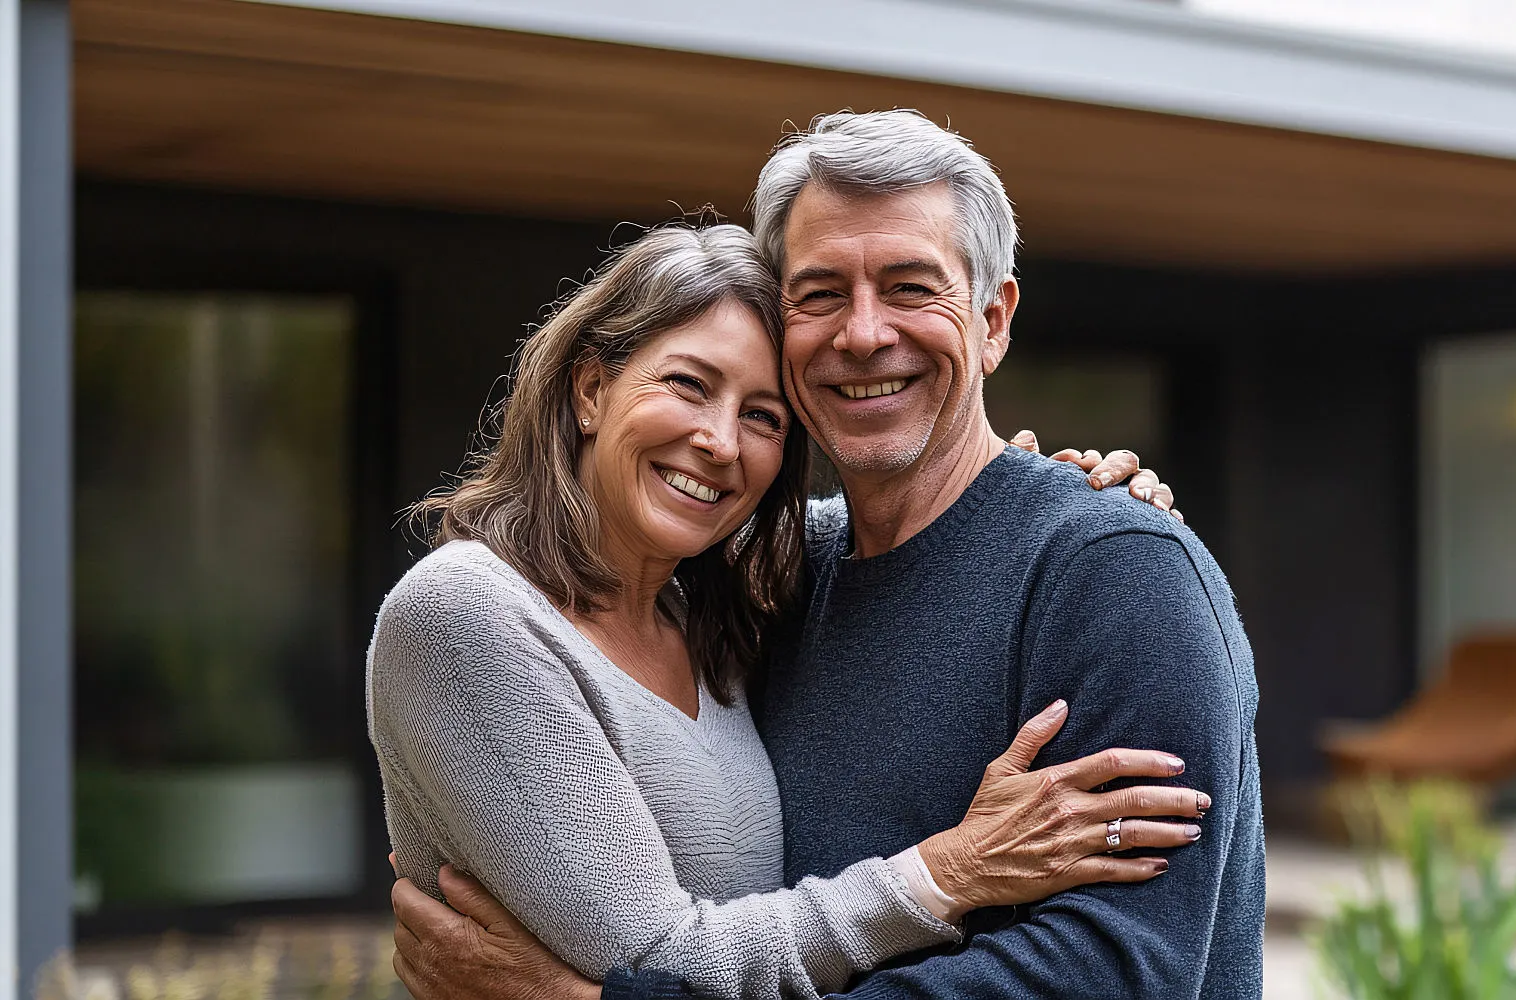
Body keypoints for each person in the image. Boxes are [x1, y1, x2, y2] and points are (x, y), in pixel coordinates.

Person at [392, 110, 1264, 1000]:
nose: (861, 334)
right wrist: (948, 872)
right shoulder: (775, 579)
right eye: (818, 294)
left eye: (910, 286)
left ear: (992, 319)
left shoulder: (1116, 578)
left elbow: (1111, 978)